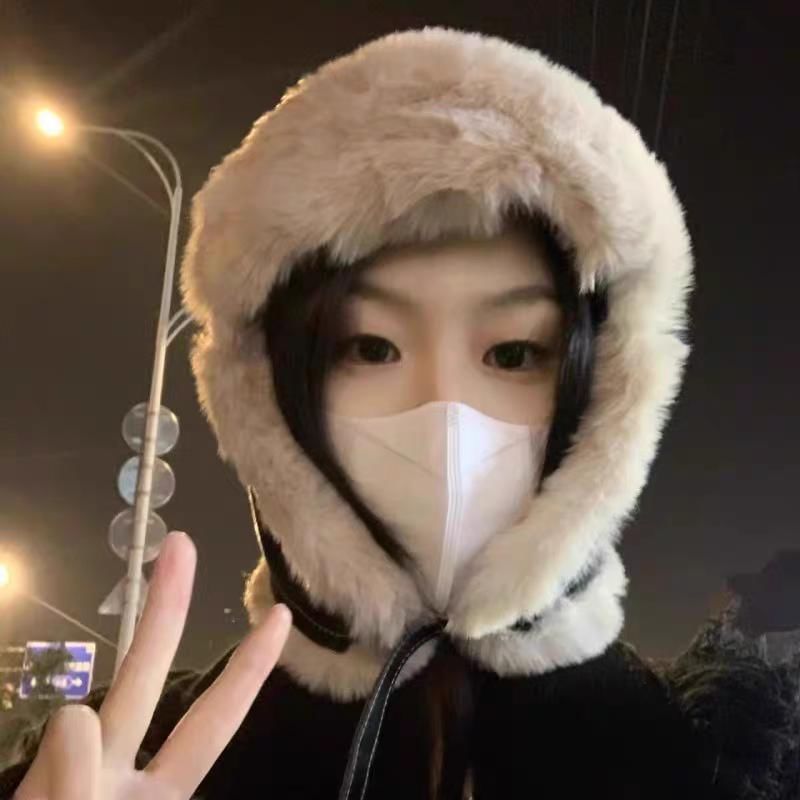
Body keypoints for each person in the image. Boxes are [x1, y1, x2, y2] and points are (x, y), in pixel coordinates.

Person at [4, 27, 799, 800]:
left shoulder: (719, 763)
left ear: (604, 394)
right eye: (371, 348)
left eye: (514, 353)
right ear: (273, 396)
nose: (445, 415)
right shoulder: (139, 764)